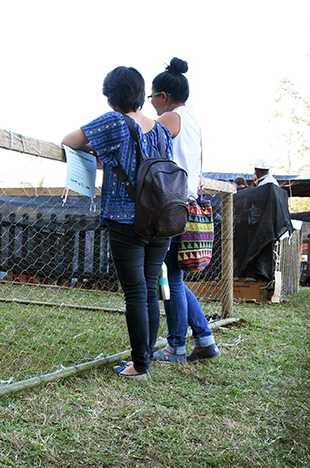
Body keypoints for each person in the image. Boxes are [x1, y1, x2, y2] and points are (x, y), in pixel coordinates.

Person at [62, 66, 173, 380]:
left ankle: (139, 366)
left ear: (110, 97)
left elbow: (69, 141)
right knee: (149, 290)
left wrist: (103, 151)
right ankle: (144, 360)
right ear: (140, 94)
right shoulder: (162, 130)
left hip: (126, 219)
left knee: (135, 293)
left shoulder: (114, 122)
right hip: (161, 219)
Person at [148, 58, 220, 362]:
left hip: (173, 205)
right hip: (190, 205)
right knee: (174, 276)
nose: (151, 104)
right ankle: (203, 338)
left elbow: (143, 142)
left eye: (151, 97)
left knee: (170, 278)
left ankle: (176, 345)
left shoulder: (171, 118)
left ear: (163, 96)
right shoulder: (192, 119)